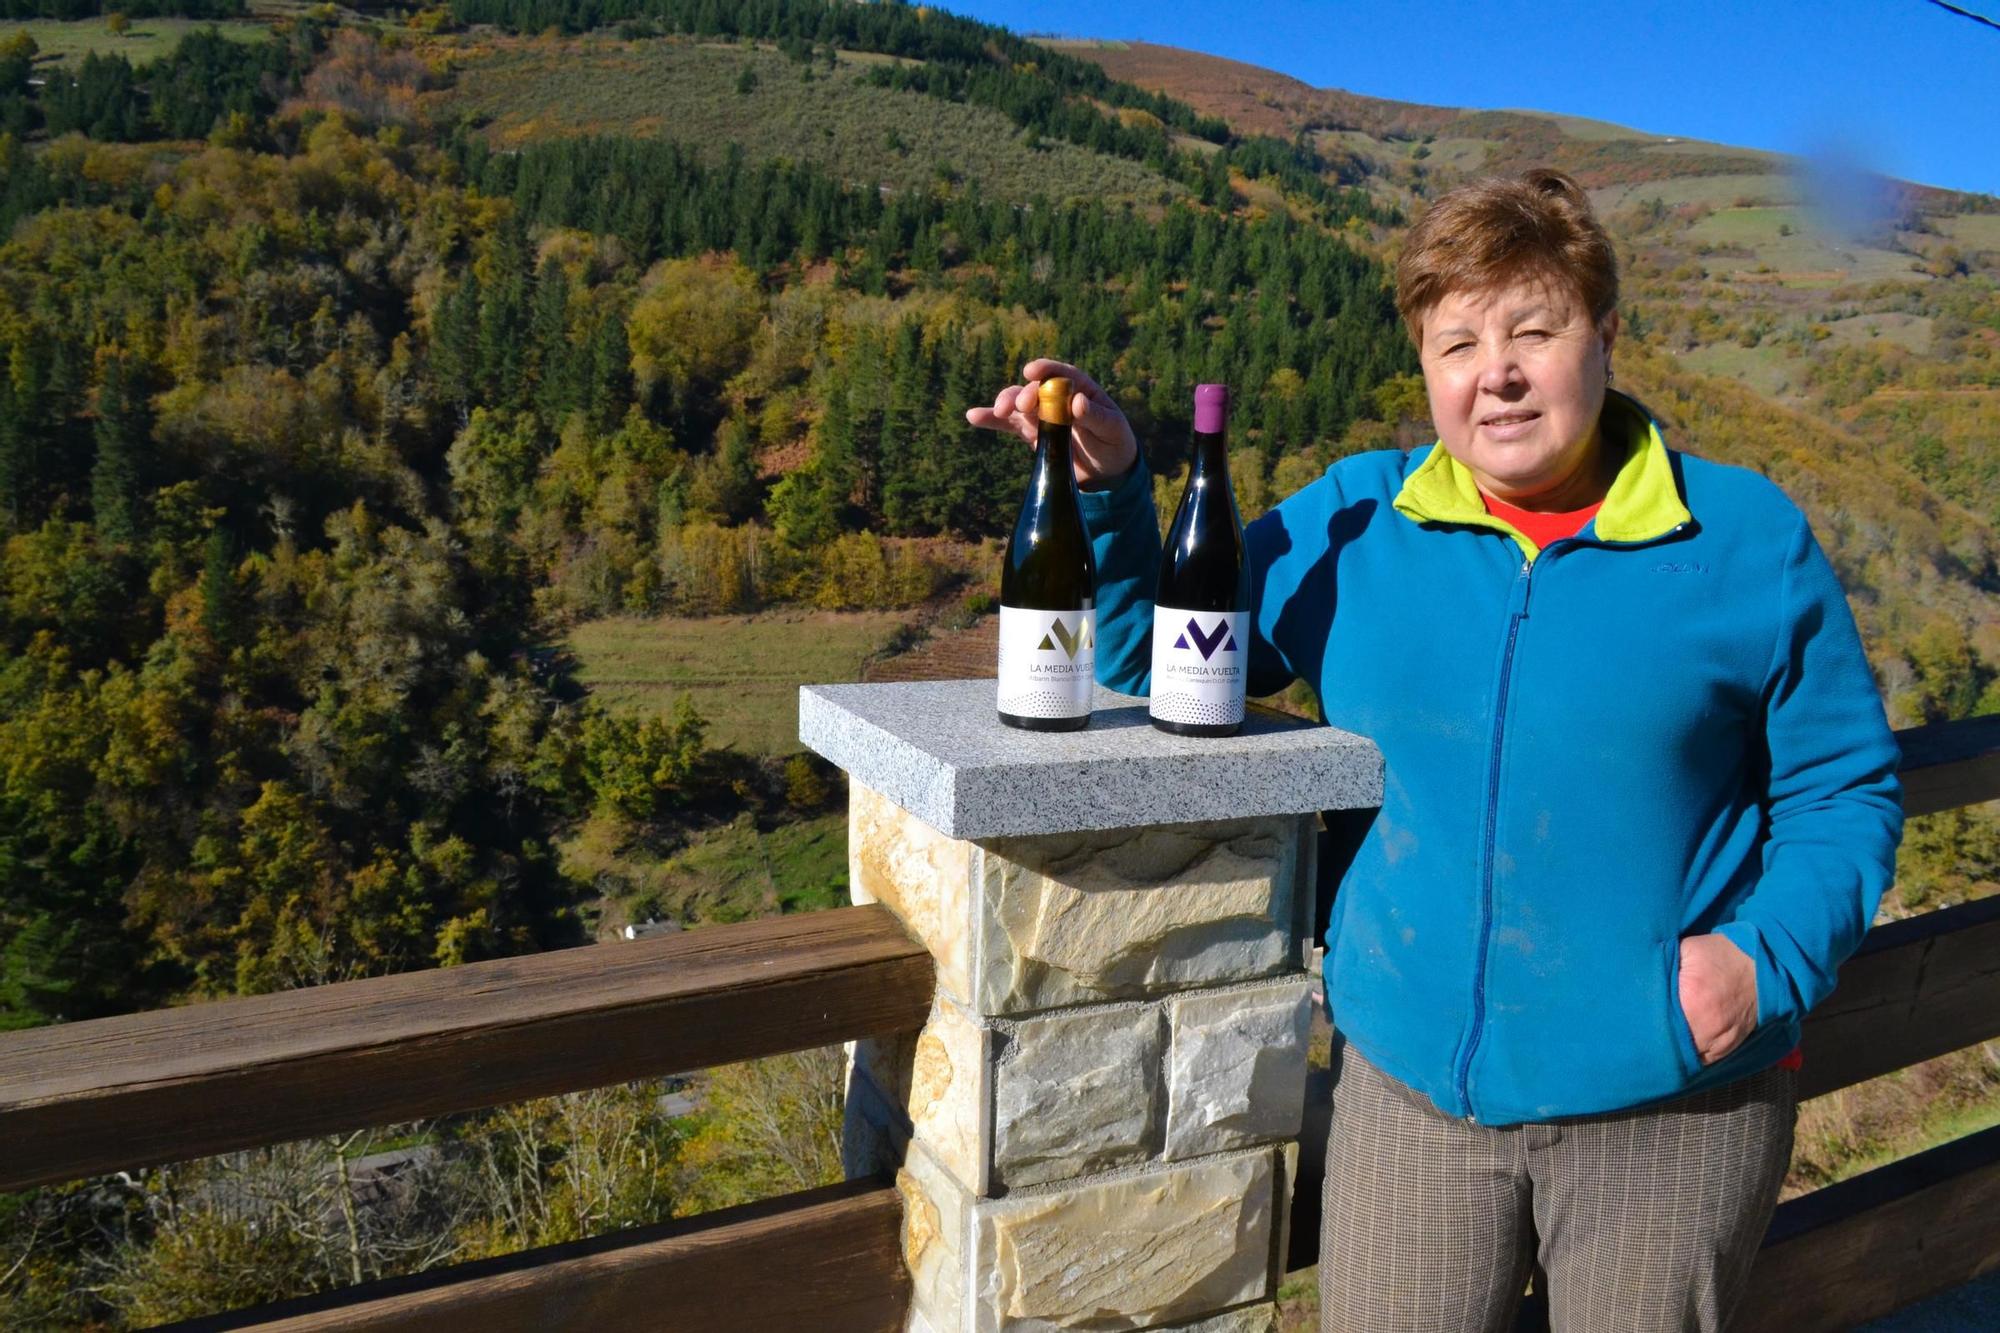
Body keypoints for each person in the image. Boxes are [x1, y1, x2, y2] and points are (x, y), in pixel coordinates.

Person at [966, 168, 1903, 1333]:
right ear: (1424, 367)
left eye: (1532, 330)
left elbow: (1842, 790)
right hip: (1409, 1089)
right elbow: (1154, 665)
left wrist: (1762, 959)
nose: (1494, 372)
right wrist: (1108, 487)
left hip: (1671, 1099)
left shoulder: (1741, 538)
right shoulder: (1357, 521)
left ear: (1602, 338)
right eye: (1456, 342)